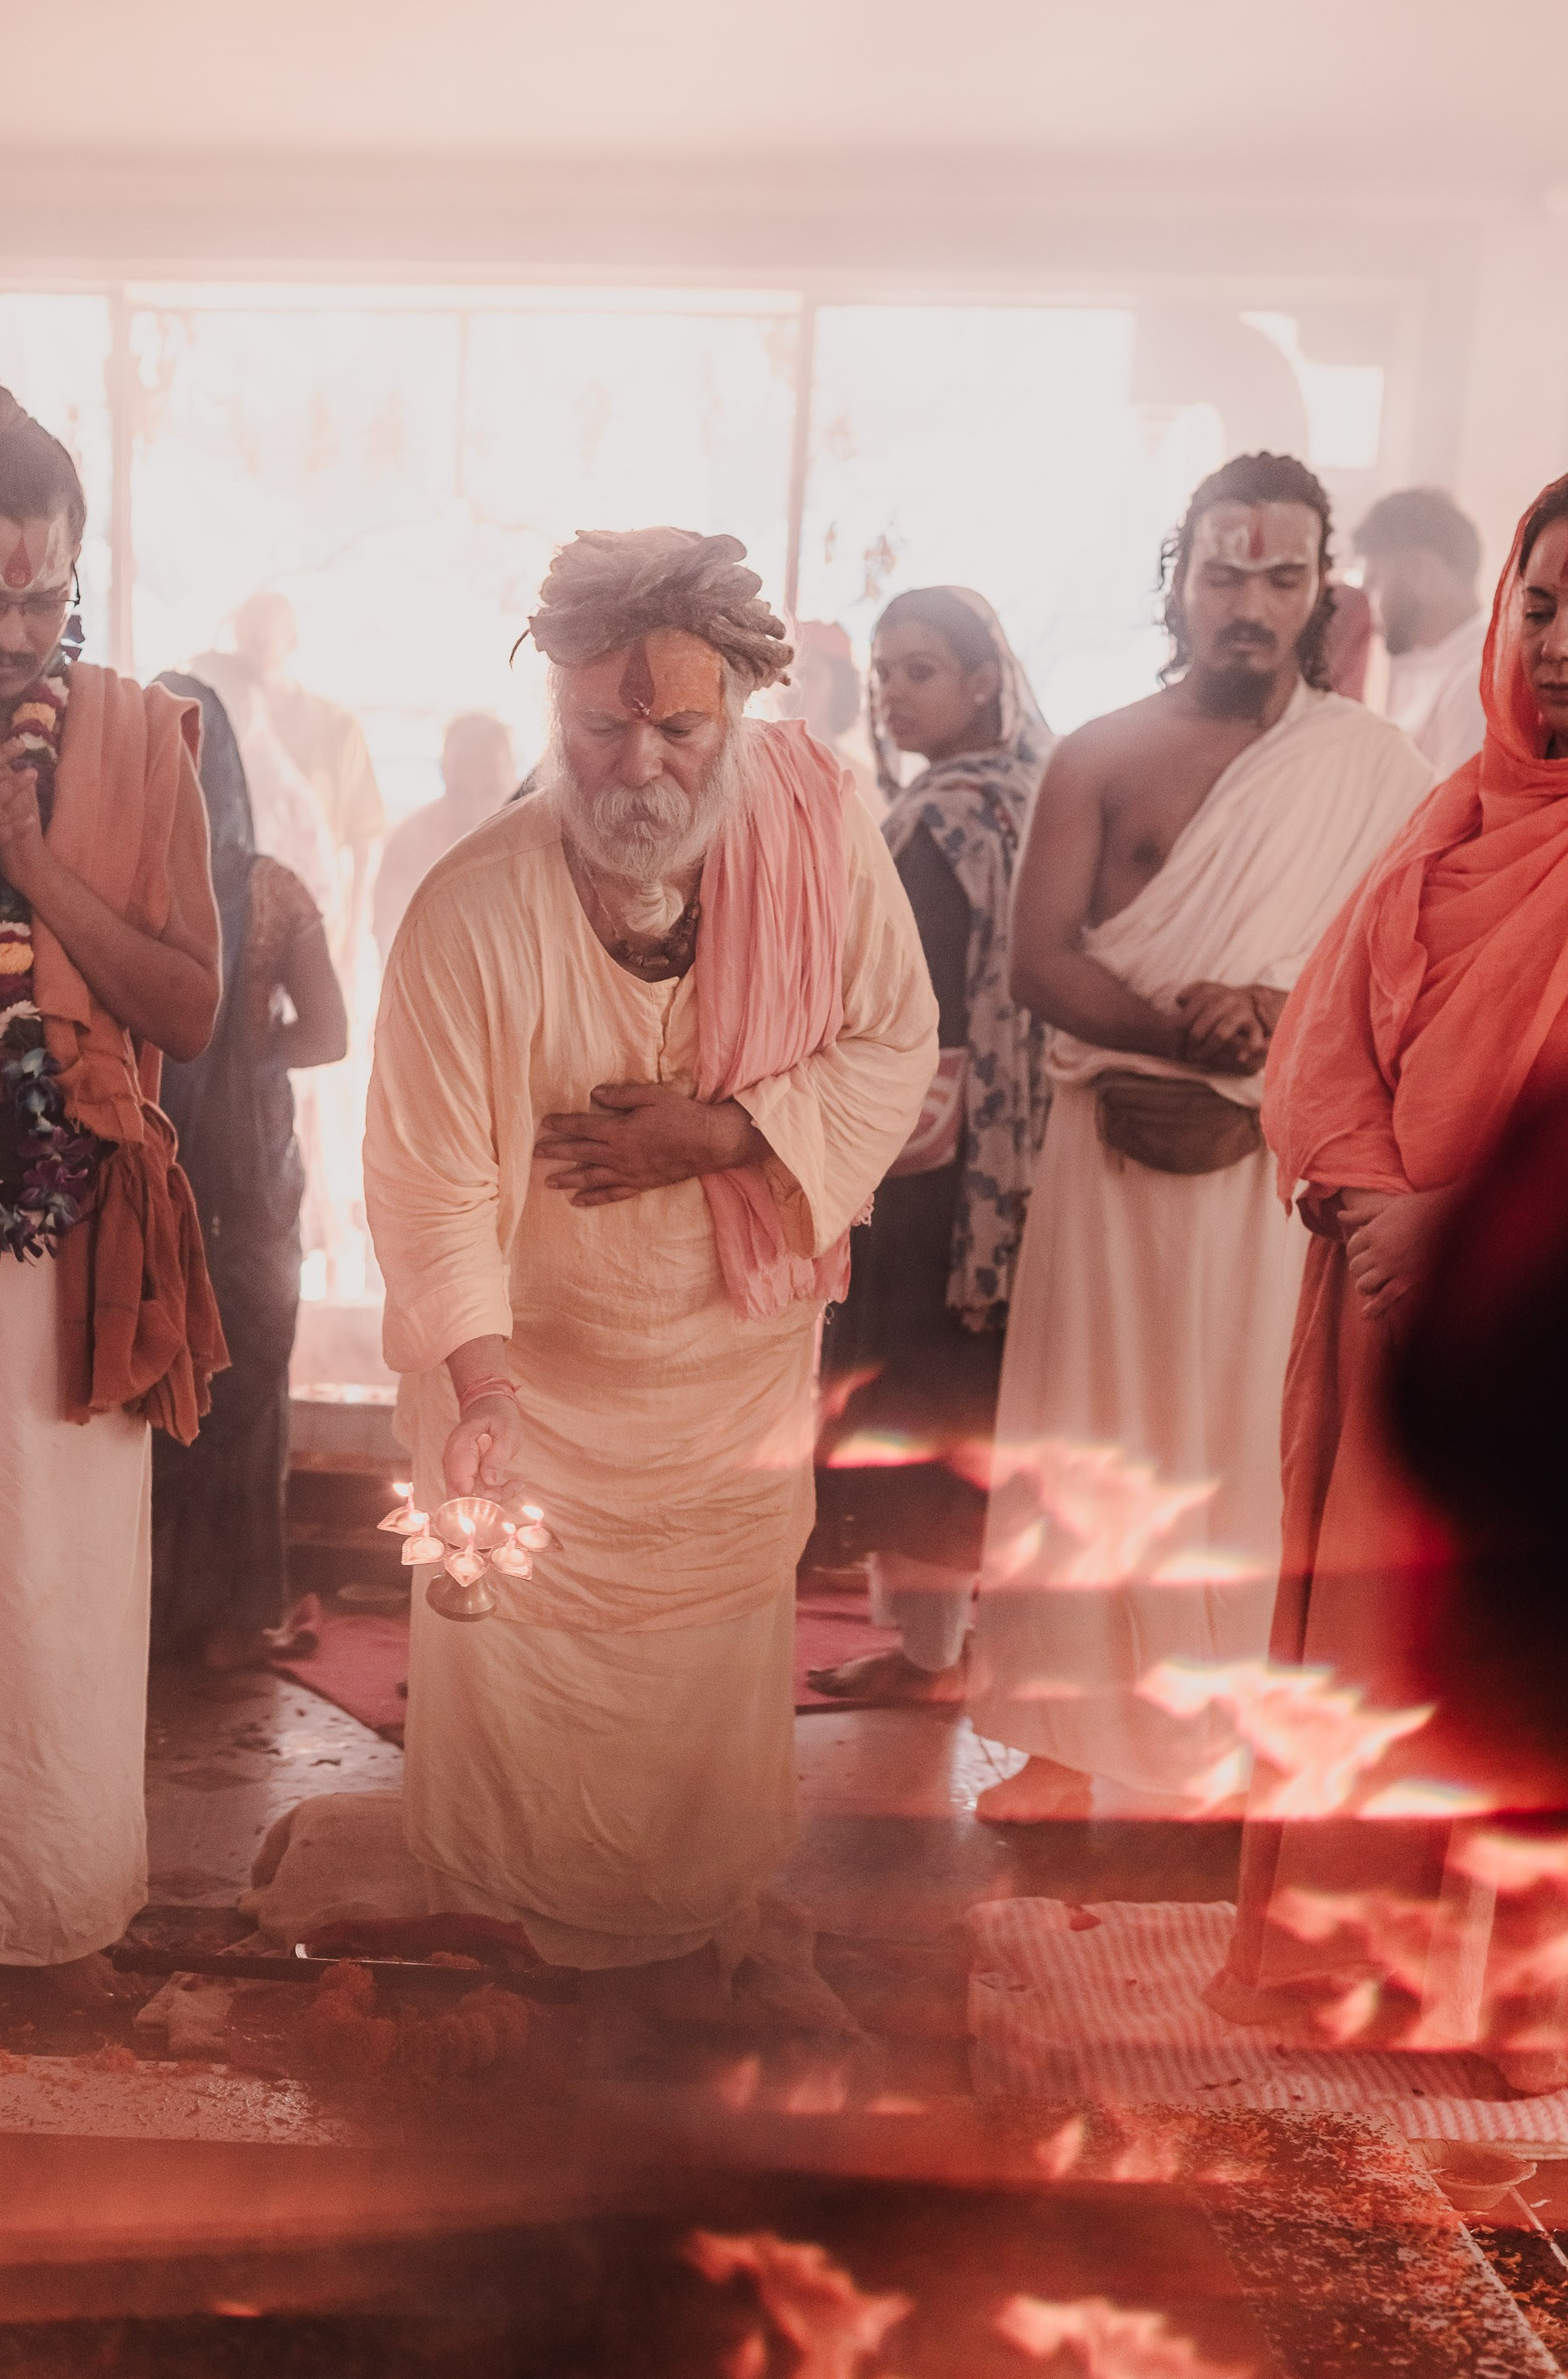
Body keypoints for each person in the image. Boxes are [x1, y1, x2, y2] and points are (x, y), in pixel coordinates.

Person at [365, 526, 936, 1995]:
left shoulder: (819, 837)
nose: (639, 767)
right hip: (529, 1391)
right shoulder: (470, 909)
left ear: (737, 711)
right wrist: (483, 1391)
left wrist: (724, 1135)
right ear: (554, 712)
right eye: (599, 729)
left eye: (680, 729)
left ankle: (695, 1937)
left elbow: (895, 1040)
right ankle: (508, 1944)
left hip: (725, 1380)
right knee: (522, 1692)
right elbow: (430, 1182)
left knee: (701, 1685)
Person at [967, 452, 1434, 1821]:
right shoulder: (1101, 753)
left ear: (1320, 590)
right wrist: (1192, 1040)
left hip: (1273, 1169)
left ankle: (1237, 1751)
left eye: (1280, 578)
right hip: (1106, 1156)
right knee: (1086, 1429)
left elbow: (1404, 970)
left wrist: (1276, 1024)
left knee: (1242, 1437)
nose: (1248, 603)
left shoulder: (1376, 769)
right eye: (1223, 573)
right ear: (1177, 580)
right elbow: (1039, 962)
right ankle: (1060, 1742)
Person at [1208, 471, 1568, 2034]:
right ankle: (1352, 1951)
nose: (1561, 643)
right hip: (1385, 1302)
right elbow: (1328, 1040)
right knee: (1375, 1633)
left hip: (1532, 1340)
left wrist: (1460, 1227)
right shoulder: (1451, 816)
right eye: (1542, 605)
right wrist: (1365, 1201)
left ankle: (1519, 2005)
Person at [0, 373, 222, 2013]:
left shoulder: (142, 739)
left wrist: (36, 875)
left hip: (68, 1225)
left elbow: (192, 1008)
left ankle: (52, 1910)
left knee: (48, 1594)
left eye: (43, 598)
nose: (10, 633)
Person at [810, 589, 1053, 1701]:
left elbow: (907, 992)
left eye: (920, 671)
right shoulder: (1034, 796)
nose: (894, 694)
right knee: (953, 1374)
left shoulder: (943, 817)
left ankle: (929, 1655)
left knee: (914, 1376)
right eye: (884, 673)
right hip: (1021, 1145)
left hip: (933, 1142)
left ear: (984, 680)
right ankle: (937, 1645)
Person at [149, 671, 348, 1673]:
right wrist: (247, 1059)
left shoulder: (122, 879)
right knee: (242, 1376)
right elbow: (325, 1034)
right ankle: (228, 1619)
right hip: (248, 1172)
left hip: (161, 1158)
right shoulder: (270, 889)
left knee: (163, 1362)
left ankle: (143, 1615)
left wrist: (204, 1064)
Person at [219, 591, 385, 976]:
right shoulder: (222, 726)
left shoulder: (337, 728)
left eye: (263, 644)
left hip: (317, 917)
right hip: (237, 921)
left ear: (291, 642)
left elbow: (366, 840)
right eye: (243, 644)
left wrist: (356, 933)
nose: (250, 656)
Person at [1354, 487, 1486, 778]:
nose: (1369, 603)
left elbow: (1455, 807)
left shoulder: (1479, 679)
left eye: (1374, 581)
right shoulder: (1416, 661)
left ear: (1420, 570)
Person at [372, 710, 518, 961]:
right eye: (461, 794)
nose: (476, 812)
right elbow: (390, 948)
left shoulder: (546, 840)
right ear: (442, 773)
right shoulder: (406, 845)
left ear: (513, 777)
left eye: (491, 792)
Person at [776, 620, 882, 815]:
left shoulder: (859, 780)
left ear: (840, 688)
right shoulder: (759, 764)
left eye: (807, 675)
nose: (793, 687)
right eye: (786, 675)